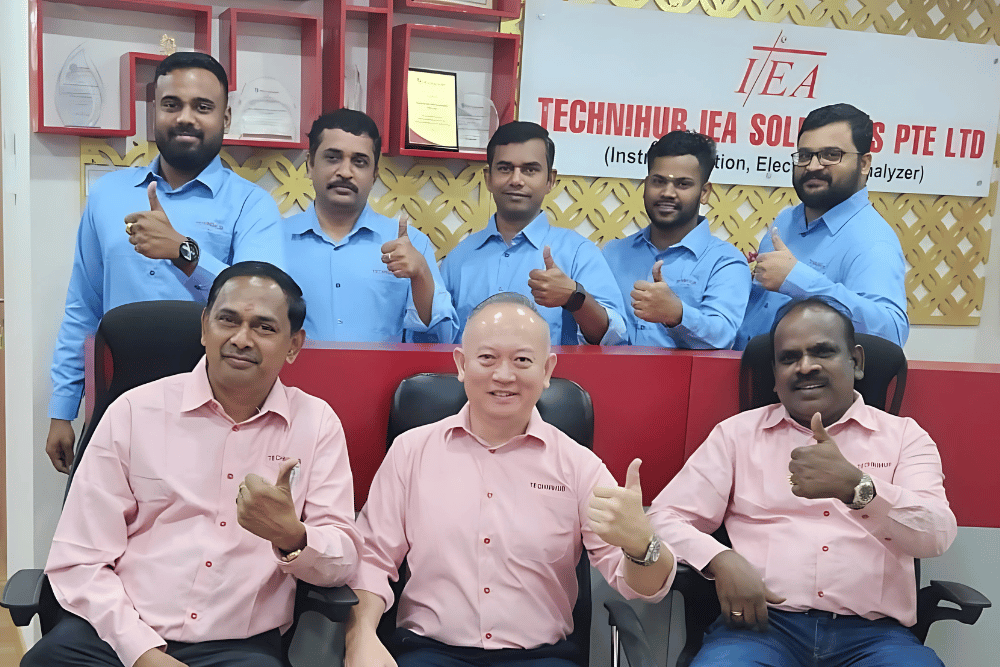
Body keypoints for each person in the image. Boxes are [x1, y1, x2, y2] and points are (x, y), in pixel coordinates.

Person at [23, 262, 361, 667]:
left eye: (264, 327)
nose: (241, 339)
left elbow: (343, 559)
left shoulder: (316, 424)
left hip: (237, 645)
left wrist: (292, 536)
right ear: (204, 327)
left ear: (293, 345)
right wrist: (142, 652)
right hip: (115, 631)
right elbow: (80, 557)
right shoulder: (134, 411)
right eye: (227, 320)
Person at [344, 293, 675, 667]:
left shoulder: (579, 466)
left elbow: (645, 589)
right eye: (487, 358)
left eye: (522, 360)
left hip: (541, 658)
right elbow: (372, 560)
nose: (504, 375)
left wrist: (643, 545)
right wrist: (361, 636)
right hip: (428, 652)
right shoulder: (411, 452)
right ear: (461, 364)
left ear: (547, 370)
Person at [649, 296, 955, 667]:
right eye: (789, 358)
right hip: (762, 630)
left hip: (875, 637)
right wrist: (719, 558)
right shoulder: (737, 436)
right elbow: (663, 518)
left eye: (822, 352)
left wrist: (859, 489)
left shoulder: (905, 437)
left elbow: (936, 535)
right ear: (775, 373)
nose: (805, 367)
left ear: (856, 361)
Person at [47, 51, 286, 473]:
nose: (185, 118)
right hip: (118, 398)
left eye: (202, 107)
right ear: (154, 111)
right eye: (172, 104)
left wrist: (183, 251)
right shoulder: (108, 196)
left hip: (219, 407)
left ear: (226, 118)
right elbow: (83, 306)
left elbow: (262, 305)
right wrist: (62, 408)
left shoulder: (253, 205)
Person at [734, 103, 909, 350]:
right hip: (745, 364)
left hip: (803, 374)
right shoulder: (786, 220)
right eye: (805, 155)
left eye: (831, 155)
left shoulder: (872, 240)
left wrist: (798, 280)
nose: (813, 166)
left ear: (864, 163)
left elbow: (890, 334)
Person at [439, 122, 627, 345]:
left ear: (550, 180)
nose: (516, 180)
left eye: (530, 170)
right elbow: (437, 340)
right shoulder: (459, 258)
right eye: (505, 168)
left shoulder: (579, 253)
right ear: (488, 178)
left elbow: (613, 338)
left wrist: (575, 298)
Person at [284, 109, 457, 342]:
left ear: (374, 173)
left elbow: (442, 339)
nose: (345, 172)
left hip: (384, 368)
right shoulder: (273, 240)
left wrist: (421, 276)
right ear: (310, 164)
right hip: (295, 368)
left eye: (359, 162)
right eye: (333, 158)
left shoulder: (411, 244)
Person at [603, 131, 750, 348]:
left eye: (683, 184)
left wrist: (677, 314)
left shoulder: (726, 262)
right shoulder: (612, 254)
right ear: (645, 185)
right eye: (658, 181)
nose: (668, 193)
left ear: (704, 192)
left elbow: (723, 336)